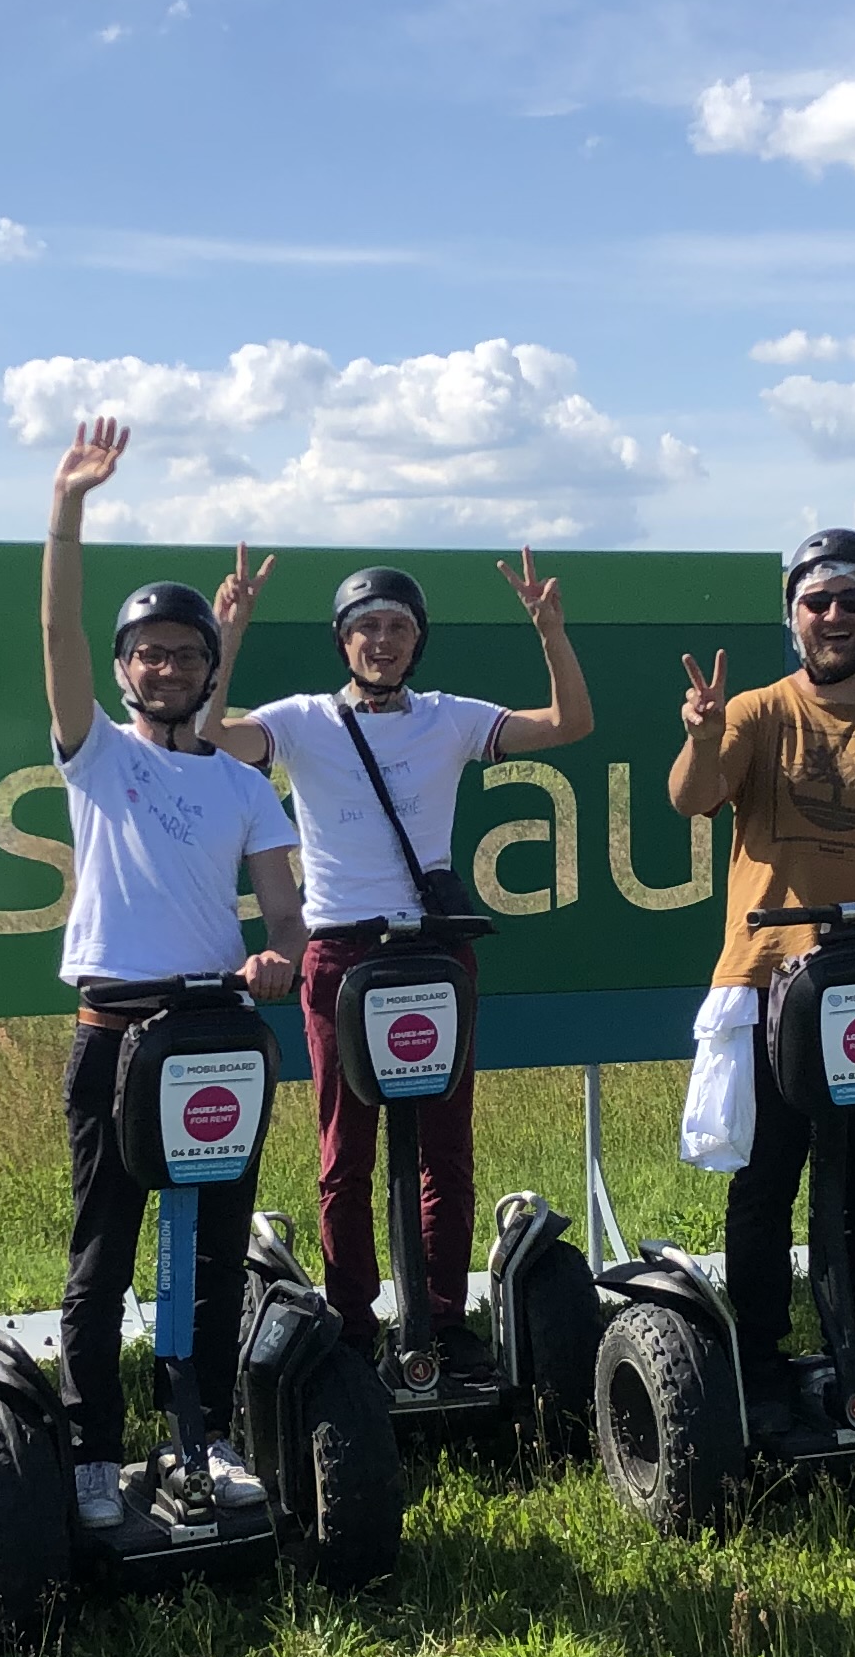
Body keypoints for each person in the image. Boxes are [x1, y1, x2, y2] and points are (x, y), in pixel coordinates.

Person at [200, 550, 594, 1377]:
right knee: (347, 1153)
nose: (382, 641)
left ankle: (442, 1321)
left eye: (398, 627)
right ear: (342, 642)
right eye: (367, 628)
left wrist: (550, 632)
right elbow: (210, 736)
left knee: (445, 1148)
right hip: (341, 951)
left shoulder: (449, 717)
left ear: (419, 640)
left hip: (432, 950)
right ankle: (350, 1326)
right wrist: (229, 634)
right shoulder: (304, 719)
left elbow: (568, 725)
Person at [39, 419, 307, 1529]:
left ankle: (205, 1437)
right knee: (103, 1257)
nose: (167, 667)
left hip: (212, 1036)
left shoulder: (244, 784)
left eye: (187, 655)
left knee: (208, 1249)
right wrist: (68, 509)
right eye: (148, 653)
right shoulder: (95, 752)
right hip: (113, 1032)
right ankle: (95, 1452)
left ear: (207, 673)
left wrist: (282, 957)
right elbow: (56, 626)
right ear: (122, 670)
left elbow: (287, 909)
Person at [665, 527, 855, 1411]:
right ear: (793, 618)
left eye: (851, 603)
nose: (833, 617)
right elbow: (694, 796)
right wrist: (705, 733)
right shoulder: (755, 712)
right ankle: (758, 1362)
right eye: (816, 603)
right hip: (768, 984)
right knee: (767, 1181)